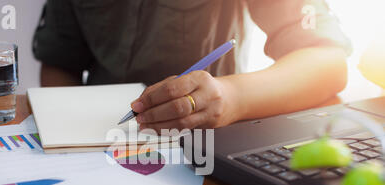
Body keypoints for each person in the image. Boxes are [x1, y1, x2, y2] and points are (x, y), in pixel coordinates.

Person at [33, 0, 351, 132]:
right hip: (104, 140)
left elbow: (327, 62)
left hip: (204, 146)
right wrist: (67, 136)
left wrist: (231, 98)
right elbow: (60, 62)